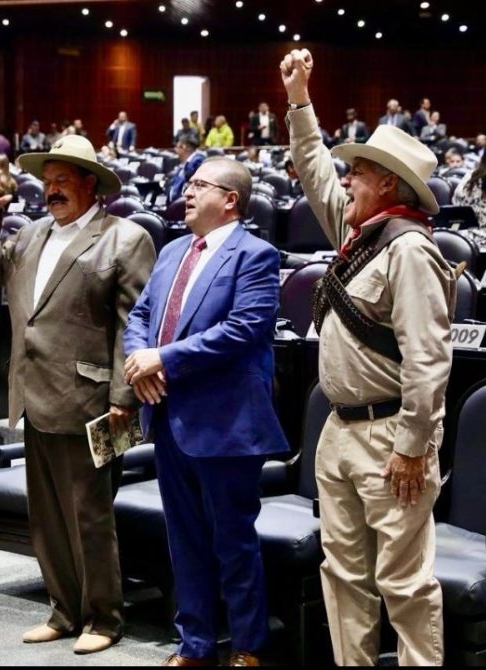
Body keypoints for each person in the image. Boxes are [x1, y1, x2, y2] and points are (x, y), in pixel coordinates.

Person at [281, 48, 455, 666]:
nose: (345, 179)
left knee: (404, 584)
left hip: (391, 438)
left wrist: (412, 445)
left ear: (387, 184)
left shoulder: (409, 250)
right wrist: (299, 100)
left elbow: (429, 360)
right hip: (340, 428)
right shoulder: (359, 235)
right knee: (344, 577)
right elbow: (313, 170)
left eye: (356, 171)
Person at [0, 134, 156, 655]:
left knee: (89, 517)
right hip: (34, 394)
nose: (52, 190)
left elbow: (134, 325)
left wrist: (124, 396)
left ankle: (103, 618)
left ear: (90, 184)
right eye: (47, 182)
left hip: (92, 400)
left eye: (63, 181)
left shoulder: (125, 238)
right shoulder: (30, 235)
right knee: (47, 516)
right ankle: (63, 610)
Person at [123, 157, 289, 667]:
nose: (187, 192)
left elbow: (244, 328)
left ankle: (247, 646)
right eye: (188, 184)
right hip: (168, 415)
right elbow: (140, 315)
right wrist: (140, 361)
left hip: (227, 423)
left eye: (199, 185)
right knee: (185, 540)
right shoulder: (173, 250)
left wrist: (162, 359)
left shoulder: (255, 255)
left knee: (232, 542)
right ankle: (194, 645)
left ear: (230, 200)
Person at [167, 134, 205, 203]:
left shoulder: (197, 161)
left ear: (185, 147)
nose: (175, 150)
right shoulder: (186, 163)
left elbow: (189, 182)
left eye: (177, 147)